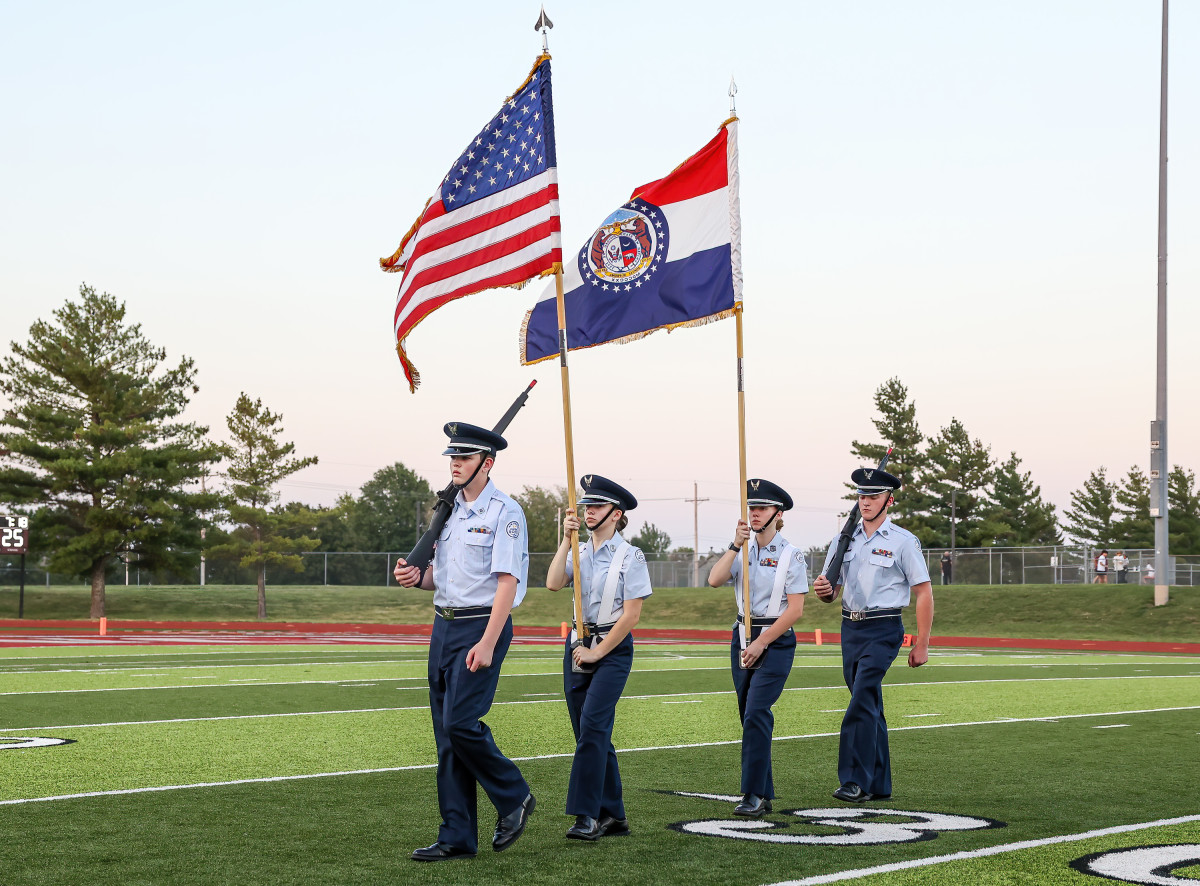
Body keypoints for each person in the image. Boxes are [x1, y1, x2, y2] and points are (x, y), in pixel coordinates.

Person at [393, 422, 535, 862]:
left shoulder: (505, 513)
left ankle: (514, 796)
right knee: (446, 737)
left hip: (481, 626)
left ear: (486, 463)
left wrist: (490, 641)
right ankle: (456, 835)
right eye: (452, 457)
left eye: (465, 457)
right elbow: (445, 576)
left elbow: (507, 583)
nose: (454, 463)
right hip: (444, 624)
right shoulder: (449, 511)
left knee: (460, 723)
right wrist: (417, 578)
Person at [812, 467, 933, 804]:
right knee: (869, 704)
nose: (866, 502)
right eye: (862, 496)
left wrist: (922, 641)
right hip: (851, 628)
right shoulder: (842, 538)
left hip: (884, 628)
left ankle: (854, 779)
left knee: (861, 698)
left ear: (888, 501)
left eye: (874, 496)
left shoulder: (903, 541)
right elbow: (830, 591)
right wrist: (823, 589)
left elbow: (923, 592)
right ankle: (880, 783)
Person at [546, 474, 651, 840]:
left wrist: (598, 653)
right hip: (577, 646)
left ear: (617, 514)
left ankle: (585, 815)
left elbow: (632, 615)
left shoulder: (631, 556)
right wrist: (565, 540)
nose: (590, 512)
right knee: (590, 735)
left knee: (592, 727)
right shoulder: (579, 550)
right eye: (587, 506)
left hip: (611, 650)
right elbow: (553, 582)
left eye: (598, 506)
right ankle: (615, 815)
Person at [706, 479, 808, 818]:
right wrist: (735, 545)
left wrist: (762, 642)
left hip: (775, 640)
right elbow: (714, 580)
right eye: (752, 508)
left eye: (762, 508)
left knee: (756, 713)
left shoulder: (792, 555)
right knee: (748, 717)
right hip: (741, 636)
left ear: (777, 514)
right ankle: (763, 791)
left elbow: (795, 610)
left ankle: (753, 794)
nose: (755, 514)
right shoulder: (743, 549)